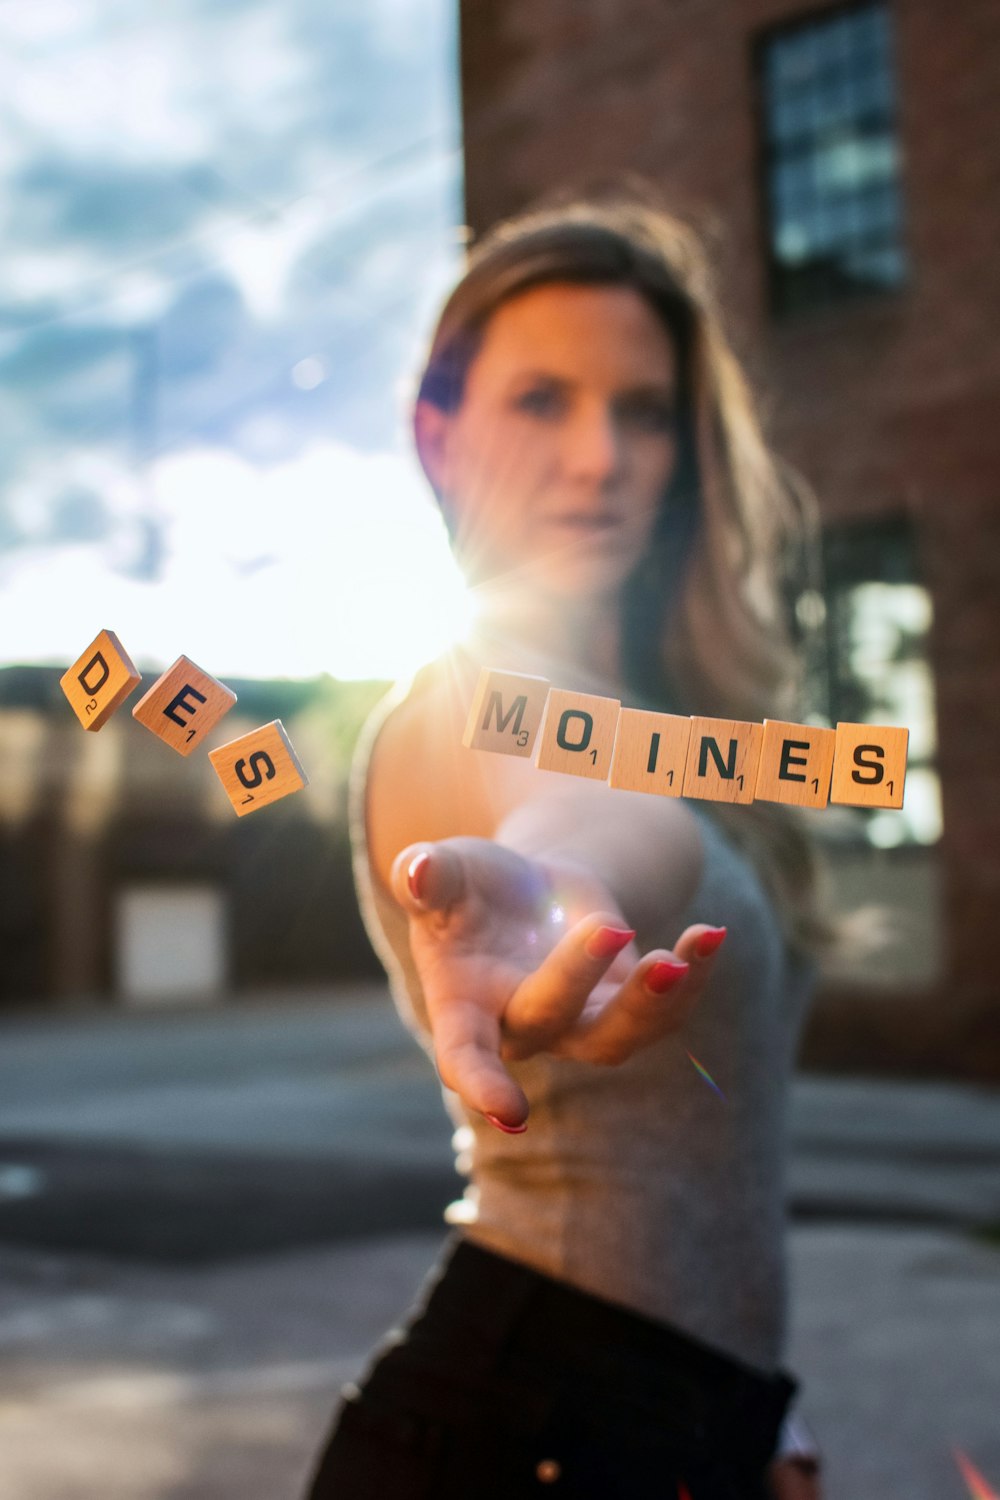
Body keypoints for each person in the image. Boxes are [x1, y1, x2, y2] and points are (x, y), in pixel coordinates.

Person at [305, 182, 827, 1499]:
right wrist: (566, 884)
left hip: (675, 1427)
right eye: (543, 400)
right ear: (438, 435)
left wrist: (760, 1420)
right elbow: (583, 803)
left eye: (642, 411)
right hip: (520, 1430)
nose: (602, 458)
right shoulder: (470, 699)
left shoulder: (659, 715)